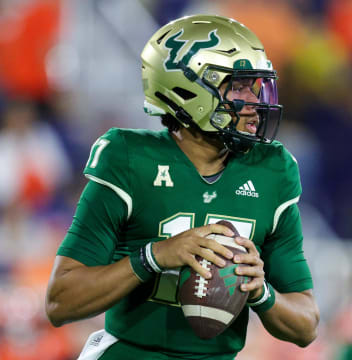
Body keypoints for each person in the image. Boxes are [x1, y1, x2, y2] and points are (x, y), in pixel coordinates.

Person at [45, 15, 320, 360]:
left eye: (255, 86)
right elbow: (60, 301)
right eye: (238, 87)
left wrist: (260, 291)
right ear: (187, 90)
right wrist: (155, 256)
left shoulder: (271, 168)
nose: (253, 103)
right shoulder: (130, 158)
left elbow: (306, 323)